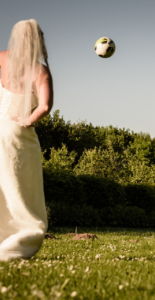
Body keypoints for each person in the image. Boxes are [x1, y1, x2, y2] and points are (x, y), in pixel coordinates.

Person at [0, 19, 53, 260]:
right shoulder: (39, 69)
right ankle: (18, 243)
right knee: (21, 191)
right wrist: (27, 120)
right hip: (17, 137)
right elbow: (45, 106)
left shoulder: (2, 57)